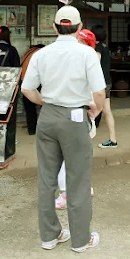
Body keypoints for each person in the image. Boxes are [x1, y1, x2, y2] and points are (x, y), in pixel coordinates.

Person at [21, 5, 106, 253]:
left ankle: (50, 235)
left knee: (47, 179)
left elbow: (27, 89)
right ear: (79, 28)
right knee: (78, 179)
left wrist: (44, 102)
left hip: (47, 117)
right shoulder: (86, 54)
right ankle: (81, 239)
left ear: (54, 27)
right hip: (75, 117)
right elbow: (99, 92)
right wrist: (96, 110)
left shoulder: (41, 54)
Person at [55, 29, 98, 211]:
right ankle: (83, 188)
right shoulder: (87, 62)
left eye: (79, 42)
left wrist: (92, 106)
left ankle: (66, 194)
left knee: (65, 157)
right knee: (77, 156)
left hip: (76, 115)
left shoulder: (83, 63)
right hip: (82, 115)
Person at [91, 24, 117, 149]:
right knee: (106, 110)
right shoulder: (105, 46)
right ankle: (113, 139)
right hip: (107, 81)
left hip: (98, 83)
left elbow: (96, 62)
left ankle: (81, 138)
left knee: (91, 109)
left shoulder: (98, 47)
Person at [18, 44, 45, 135]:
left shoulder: (27, 53)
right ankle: (43, 130)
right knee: (45, 106)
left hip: (25, 81)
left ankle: (31, 129)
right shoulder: (41, 53)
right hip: (38, 81)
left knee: (29, 108)